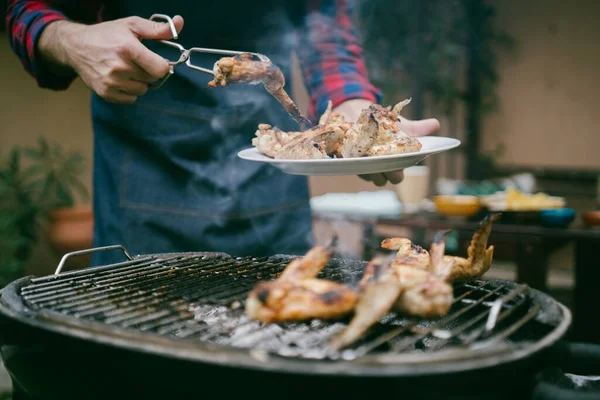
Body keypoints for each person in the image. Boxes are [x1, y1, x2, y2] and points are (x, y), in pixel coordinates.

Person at [6, 0, 440, 267]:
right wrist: (68, 40)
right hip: (143, 181)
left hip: (271, 185)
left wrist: (355, 112)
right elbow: (24, 9)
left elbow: (326, 31)